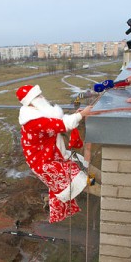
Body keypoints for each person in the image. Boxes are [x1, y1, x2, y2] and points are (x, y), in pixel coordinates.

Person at [16, 85, 92, 223]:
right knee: (78, 179)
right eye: (38, 96)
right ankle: (105, 190)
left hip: (52, 155)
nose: (42, 97)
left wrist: (77, 115)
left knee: (80, 171)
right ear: (30, 101)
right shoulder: (33, 120)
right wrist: (81, 115)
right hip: (45, 162)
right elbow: (60, 125)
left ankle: (99, 185)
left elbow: (56, 122)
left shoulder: (38, 113)